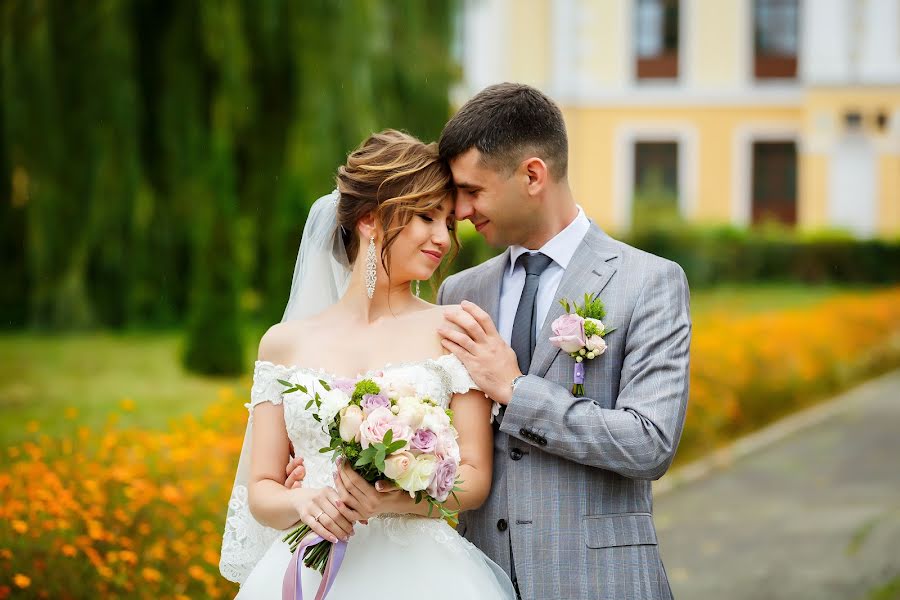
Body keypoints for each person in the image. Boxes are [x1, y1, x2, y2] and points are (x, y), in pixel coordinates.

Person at [219, 129, 515, 598]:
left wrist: (395, 498)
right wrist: (304, 500)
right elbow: (261, 491)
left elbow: (475, 479)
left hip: (423, 576)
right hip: (306, 567)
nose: (443, 238)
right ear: (371, 219)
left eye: (448, 224)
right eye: (426, 218)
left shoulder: (454, 330)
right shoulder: (283, 344)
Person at [434, 83, 692, 600]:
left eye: (472, 190)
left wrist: (516, 390)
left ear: (533, 175)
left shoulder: (648, 282)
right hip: (478, 579)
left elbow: (650, 444)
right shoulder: (459, 292)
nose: (459, 210)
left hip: (602, 582)